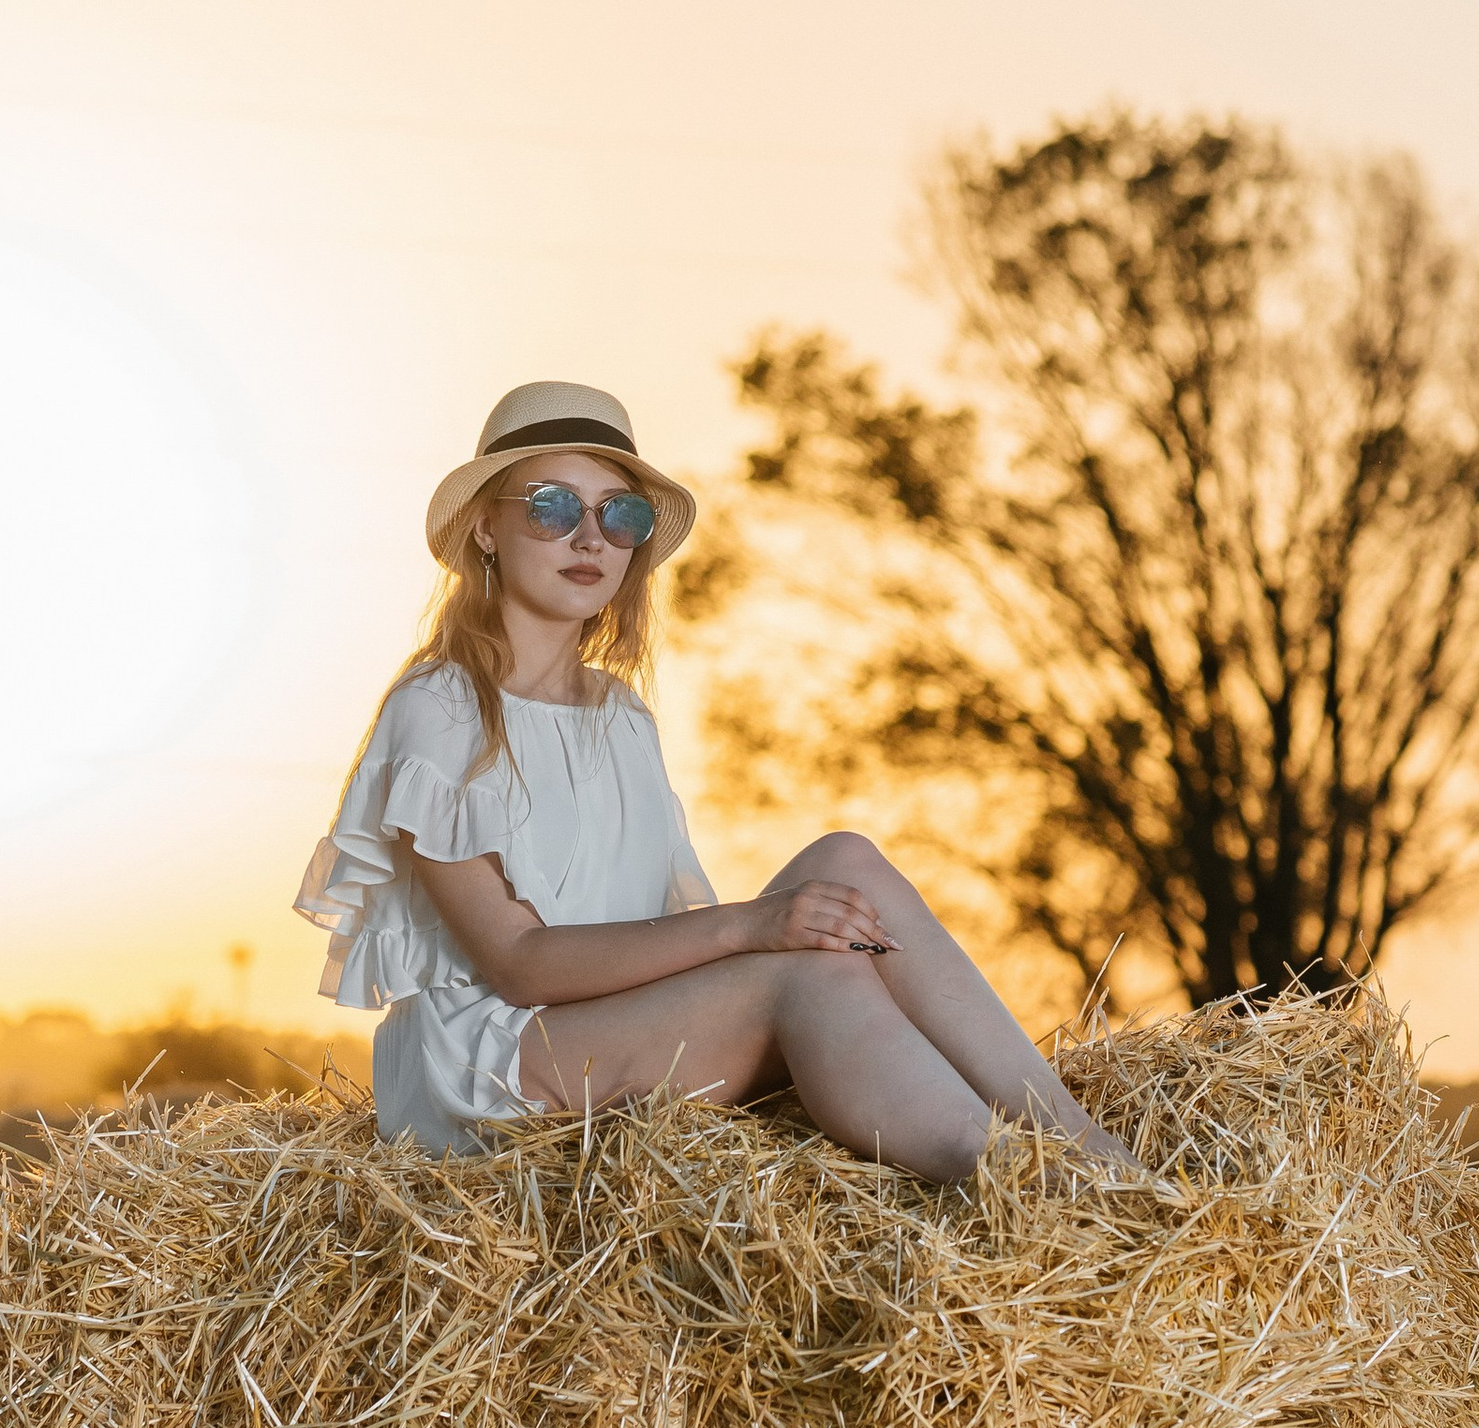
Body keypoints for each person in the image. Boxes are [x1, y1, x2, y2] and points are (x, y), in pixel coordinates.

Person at [295, 381, 1135, 1182]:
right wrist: (755, 928)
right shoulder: (438, 705)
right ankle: (1017, 1185)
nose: (589, 540)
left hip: (603, 1023)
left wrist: (768, 929)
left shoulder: (622, 717)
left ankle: (1077, 1143)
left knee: (847, 856)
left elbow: (647, 935)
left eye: (617, 516)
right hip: (489, 1063)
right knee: (806, 969)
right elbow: (518, 966)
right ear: (485, 527)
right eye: (551, 507)